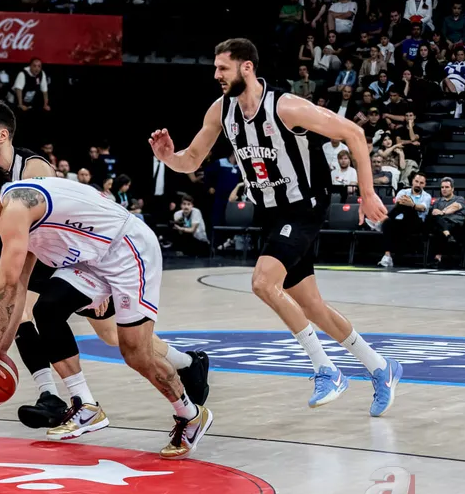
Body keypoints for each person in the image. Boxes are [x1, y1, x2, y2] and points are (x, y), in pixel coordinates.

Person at [0, 100, 209, 437]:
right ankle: (68, 400)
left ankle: (188, 384)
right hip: (79, 253)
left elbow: (12, 281)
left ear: (3, 134)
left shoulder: (29, 176)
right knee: (44, 309)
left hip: (119, 248)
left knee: (125, 344)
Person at [150, 38, 404, 417]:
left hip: (305, 206)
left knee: (262, 283)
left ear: (246, 67)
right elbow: (192, 160)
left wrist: (367, 193)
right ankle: (381, 368)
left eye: (223, 68)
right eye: (216, 68)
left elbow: (353, 132)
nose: (216, 74)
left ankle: (326, 369)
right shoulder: (221, 112)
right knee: (313, 307)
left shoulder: (286, 107)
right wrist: (169, 157)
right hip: (271, 212)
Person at [0, 162, 213, 459]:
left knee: (134, 351)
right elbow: (19, 288)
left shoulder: (16, 207)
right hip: (93, 260)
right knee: (47, 309)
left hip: (128, 250)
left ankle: (190, 414)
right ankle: (85, 405)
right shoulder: (16, 215)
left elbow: (6, 286)